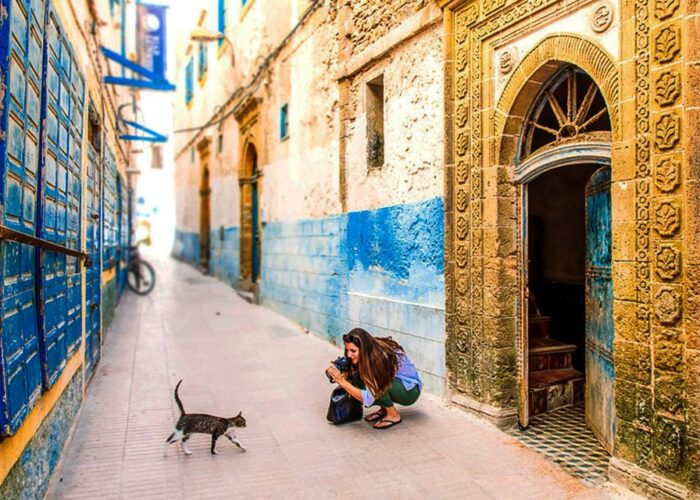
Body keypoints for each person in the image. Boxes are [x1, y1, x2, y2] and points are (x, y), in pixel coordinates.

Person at [326, 328, 422, 429]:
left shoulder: (379, 359)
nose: (349, 355)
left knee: (376, 382)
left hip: (409, 391)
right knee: (358, 377)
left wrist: (342, 382)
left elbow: (368, 397)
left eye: (353, 351)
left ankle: (393, 415)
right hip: (397, 383)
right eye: (347, 350)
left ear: (363, 348)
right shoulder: (369, 351)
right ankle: (385, 409)